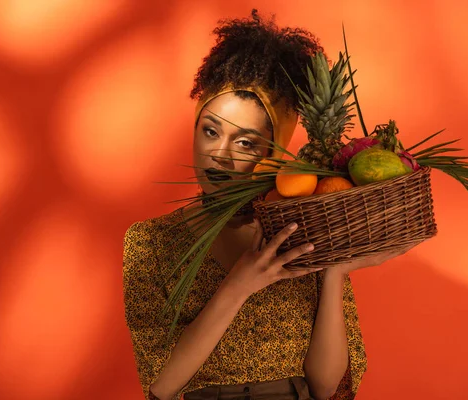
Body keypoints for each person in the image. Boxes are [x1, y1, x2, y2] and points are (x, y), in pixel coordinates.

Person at [123, 10, 412, 400]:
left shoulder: (304, 231)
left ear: (272, 152)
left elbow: (328, 388)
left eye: (244, 143)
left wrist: (333, 272)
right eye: (210, 132)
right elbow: (159, 383)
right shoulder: (151, 243)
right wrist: (241, 284)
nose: (219, 155)